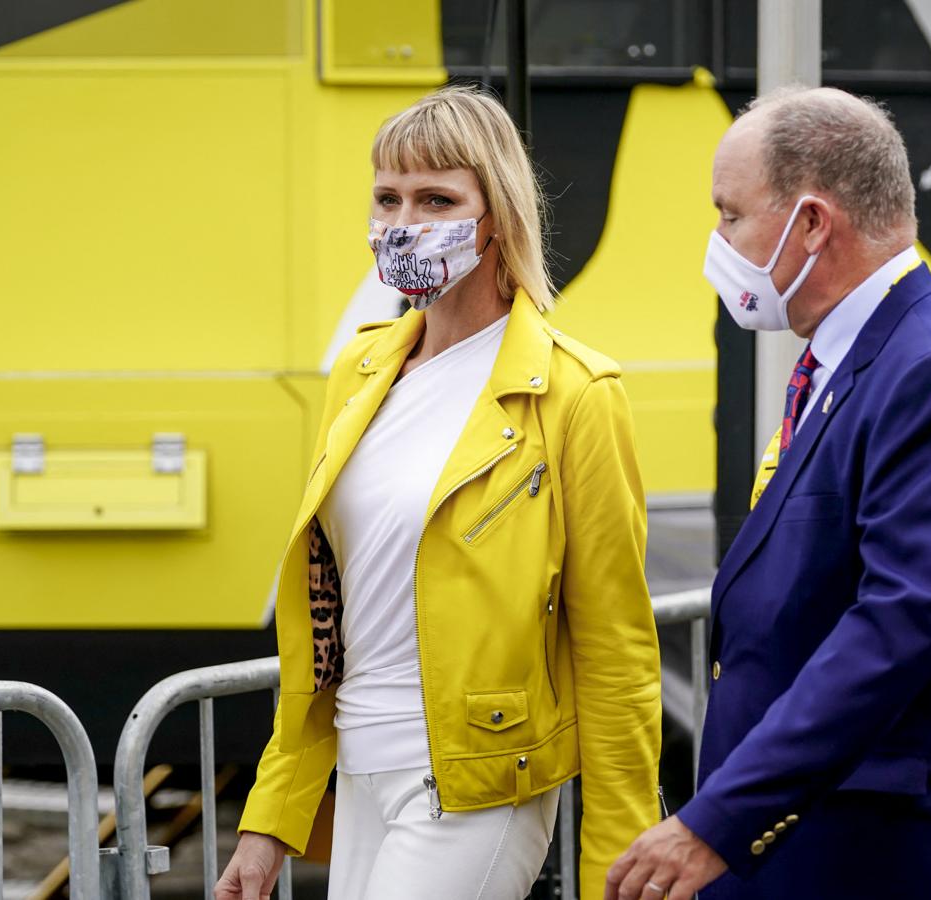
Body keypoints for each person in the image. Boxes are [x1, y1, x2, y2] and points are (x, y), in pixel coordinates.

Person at [606, 87, 931, 900]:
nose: (717, 241)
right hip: (839, 845)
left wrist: (716, 820)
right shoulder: (857, 355)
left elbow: (896, 625)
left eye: (730, 215)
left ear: (810, 224)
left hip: (917, 858)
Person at [214, 85, 663, 900]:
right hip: (361, 767)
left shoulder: (575, 392)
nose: (404, 220)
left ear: (497, 215)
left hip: (482, 778)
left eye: (437, 198)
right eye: (387, 197)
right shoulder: (361, 370)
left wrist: (616, 864)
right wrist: (270, 817)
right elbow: (323, 617)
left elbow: (616, 650)